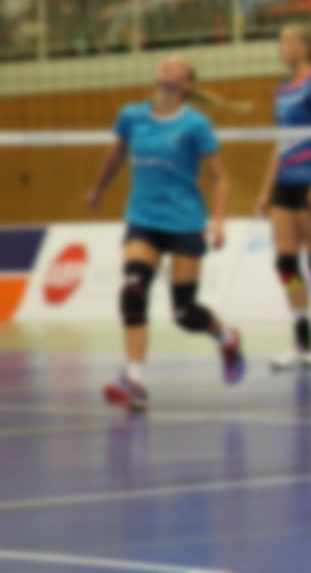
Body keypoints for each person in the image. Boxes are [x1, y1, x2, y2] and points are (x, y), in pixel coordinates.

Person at [85, 56, 245, 411]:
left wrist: (218, 221)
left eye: (178, 67)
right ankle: (135, 380)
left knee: (184, 312)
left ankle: (227, 336)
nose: (168, 67)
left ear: (187, 84)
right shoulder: (132, 116)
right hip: (143, 220)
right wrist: (98, 189)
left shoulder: (195, 124)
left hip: (185, 221)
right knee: (132, 290)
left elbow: (220, 177)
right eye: (165, 64)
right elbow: (115, 155)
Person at [257, 26, 311, 371]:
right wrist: (266, 189)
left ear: (306, 47)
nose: (282, 46)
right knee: (286, 264)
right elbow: (280, 142)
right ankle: (302, 341)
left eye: (289, 40)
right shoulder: (282, 89)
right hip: (285, 183)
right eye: (280, 40)